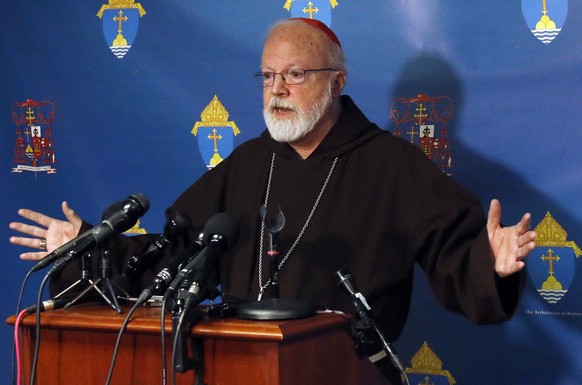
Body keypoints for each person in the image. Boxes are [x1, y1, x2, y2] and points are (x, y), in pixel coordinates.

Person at [9, 18, 536, 384]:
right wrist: (88, 249)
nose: (276, 89)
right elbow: (174, 255)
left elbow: (454, 249)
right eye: (267, 75)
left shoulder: (390, 164)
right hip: (237, 367)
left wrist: (491, 262)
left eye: (295, 74)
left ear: (337, 82)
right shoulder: (246, 163)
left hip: (344, 371)